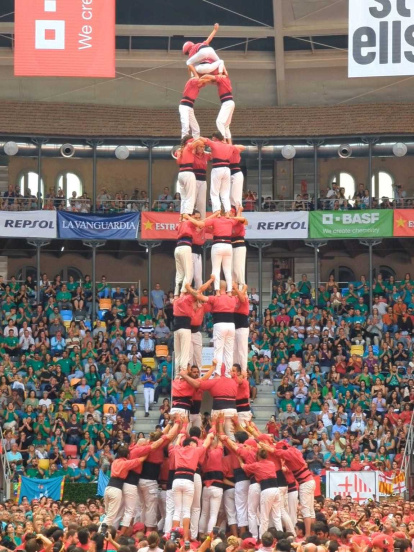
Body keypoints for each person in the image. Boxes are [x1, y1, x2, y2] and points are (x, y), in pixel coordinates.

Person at [171, 432, 215, 541]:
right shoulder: (195, 450)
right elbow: (206, 443)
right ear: (190, 444)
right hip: (188, 480)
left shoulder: (178, 450)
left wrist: (180, 436)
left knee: (177, 510)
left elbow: (176, 444)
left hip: (176, 480)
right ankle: (186, 538)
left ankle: (173, 538)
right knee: (186, 510)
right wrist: (210, 434)